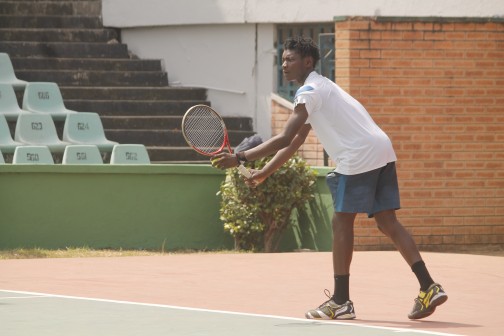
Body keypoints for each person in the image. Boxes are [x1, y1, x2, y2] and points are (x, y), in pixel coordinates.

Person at [211, 36, 447, 320]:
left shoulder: (309, 91)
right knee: (387, 221)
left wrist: (240, 158)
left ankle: (340, 301)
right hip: (382, 150)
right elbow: (296, 141)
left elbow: (284, 136)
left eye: (291, 60)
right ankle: (428, 286)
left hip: (358, 156)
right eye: (283, 59)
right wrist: (264, 172)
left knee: (341, 221)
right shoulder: (323, 88)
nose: (284, 65)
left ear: (307, 62)